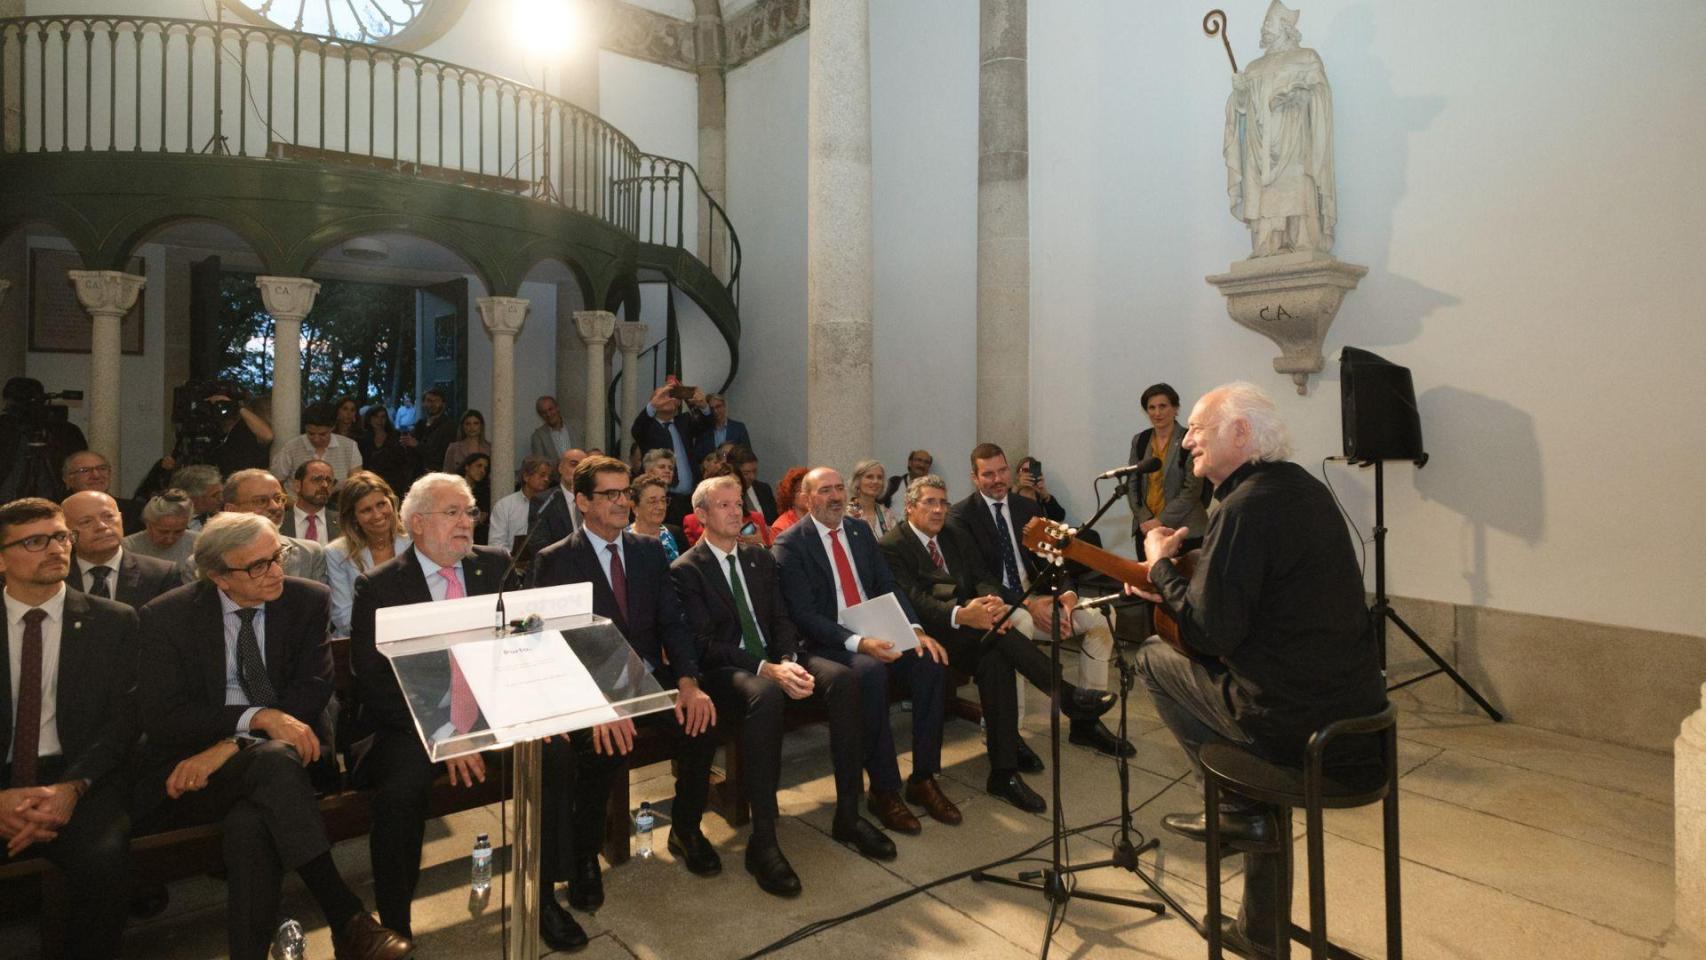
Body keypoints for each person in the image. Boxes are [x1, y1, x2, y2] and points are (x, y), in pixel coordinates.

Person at [1131, 381, 1384, 955]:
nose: (1187, 439)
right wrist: (1177, 590)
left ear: (1240, 433)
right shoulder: (1299, 489)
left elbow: (1208, 634)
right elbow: (1258, 604)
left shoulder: (1243, 508)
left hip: (1290, 722)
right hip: (1355, 715)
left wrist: (1159, 571)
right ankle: (1259, 931)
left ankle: (1236, 809)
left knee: (1151, 657)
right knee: (1252, 781)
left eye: (1198, 427)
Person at [134, 513, 413, 960]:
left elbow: (311, 692)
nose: (276, 572)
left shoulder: (305, 601)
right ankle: (346, 918)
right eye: (257, 566)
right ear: (218, 577)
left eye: (277, 557)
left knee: (254, 815)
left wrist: (232, 743)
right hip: (194, 774)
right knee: (265, 784)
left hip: (288, 758)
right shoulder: (168, 617)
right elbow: (165, 716)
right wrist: (258, 719)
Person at [671, 475, 893, 888]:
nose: (737, 512)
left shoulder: (760, 559)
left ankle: (849, 813)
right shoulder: (687, 569)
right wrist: (767, 669)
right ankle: (764, 841)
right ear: (701, 515)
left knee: (843, 680)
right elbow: (704, 644)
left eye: (739, 504)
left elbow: (781, 620)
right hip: (728, 671)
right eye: (724, 505)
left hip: (778, 658)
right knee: (767, 694)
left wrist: (789, 659)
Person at [528, 456, 718, 929]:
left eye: (623, 493)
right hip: (591, 691)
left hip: (648, 679)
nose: (620, 502)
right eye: (609, 494)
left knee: (699, 721)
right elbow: (551, 645)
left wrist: (689, 683)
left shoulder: (649, 551)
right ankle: (585, 856)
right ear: (583, 501)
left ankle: (688, 829)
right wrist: (597, 706)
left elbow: (673, 623)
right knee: (600, 748)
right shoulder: (556, 559)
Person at [879, 475, 1117, 812]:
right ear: (909, 506)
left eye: (943, 502)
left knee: (997, 653)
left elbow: (981, 576)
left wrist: (989, 601)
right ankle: (1066, 696)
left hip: (973, 626)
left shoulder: (953, 533)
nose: (938, 510)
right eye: (929, 502)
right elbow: (913, 600)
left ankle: (1003, 773)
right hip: (931, 631)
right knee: (998, 635)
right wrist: (963, 614)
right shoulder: (893, 544)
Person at [348, 473, 507, 941]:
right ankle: (396, 926)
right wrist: (445, 734)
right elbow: (374, 682)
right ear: (417, 524)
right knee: (401, 791)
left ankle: (554, 889)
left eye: (470, 512)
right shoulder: (379, 587)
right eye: (452, 512)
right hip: (409, 723)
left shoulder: (494, 566)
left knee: (552, 754)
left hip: (487, 711)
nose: (466, 522)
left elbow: (521, 640)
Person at [773, 467, 960, 837]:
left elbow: (886, 585)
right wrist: (860, 642)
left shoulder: (859, 532)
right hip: (828, 642)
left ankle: (923, 778)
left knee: (930, 662)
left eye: (839, 488)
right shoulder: (791, 544)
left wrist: (915, 631)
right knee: (870, 671)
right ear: (807, 499)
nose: (835, 496)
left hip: (876, 627)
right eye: (824, 491)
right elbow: (803, 614)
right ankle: (884, 789)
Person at [0, 498, 139, 959]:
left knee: (104, 861)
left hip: (80, 774)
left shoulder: (112, 620)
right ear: (2, 558)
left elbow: (123, 722)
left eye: (61, 537)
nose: (56, 549)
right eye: (35, 541)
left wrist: (70, 789)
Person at [947, 443, 1131, 757]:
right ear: (974, 478)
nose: (997, 479)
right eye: (988, 474)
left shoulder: (1027, 508)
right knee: (1015, 622)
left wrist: (1068, 596)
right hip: (999, 604)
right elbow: (979, 579)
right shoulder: (961, 516)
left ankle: (1086, 721)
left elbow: (1055, 560)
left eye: (1002, 470)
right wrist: (1027, 604)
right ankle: (1009, 735)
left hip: (1041, 600)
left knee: (1103, 616)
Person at [1224, 0, 1337, 257]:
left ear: (1285, 26)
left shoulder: (1306, 58)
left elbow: (1321, 94)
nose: (1263, 28)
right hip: (1260, 148)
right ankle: (1268, 243)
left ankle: (1303, 240)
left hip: (1294, 140)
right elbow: (1242, 109)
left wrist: (1299, 95)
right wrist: (1240, 92)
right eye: (1264, 23)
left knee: (1297, 186)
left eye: (1268, 23)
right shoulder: (1255, 68)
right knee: (1265, 194)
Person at [61, 490, 179, 608]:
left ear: (121, 519)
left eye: (109, 517)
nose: (102, 526)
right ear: (67, 534)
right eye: (86, 522)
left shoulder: (160, 575)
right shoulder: (56, 578)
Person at [325, 471, 409, 637]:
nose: (377, 515)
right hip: (361, 642)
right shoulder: (336, 552)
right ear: (353, 516)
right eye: (366, 510)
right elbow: (343, 617)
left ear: (391, 502)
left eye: (381, 504)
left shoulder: (414, 541)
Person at [1127, 382, 1208, 550]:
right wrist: (1145, 519)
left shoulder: (1190, 439)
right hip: (1147, 530)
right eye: (1151, 408)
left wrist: (1161, 521)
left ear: (1175, 408)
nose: (1157, 413)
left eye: (1163, 406)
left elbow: (1192, 490)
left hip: (1186, 531)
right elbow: (1132, 483)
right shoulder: (1140, 441)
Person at [220, 468, 329, 584]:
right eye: (261, 501)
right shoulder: (210, 555)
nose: (275, 507)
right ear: (231, 510)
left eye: (278, 499)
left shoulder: (309, 553)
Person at [631, 381, 712, 496]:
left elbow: (707, 425)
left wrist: (703, 406)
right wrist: (653, 406)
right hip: (662, 495)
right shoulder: (647, 426)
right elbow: (637, 429)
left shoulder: (684, 421)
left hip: (690, 496)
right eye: (663, 395)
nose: (668, 399)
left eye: (672, 395)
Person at [271, 402, 363, 484]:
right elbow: (276, 482)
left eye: (322, 434)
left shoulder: (349, 446)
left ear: (332, 427)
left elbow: (355, 484)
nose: (316, 439)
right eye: (311, 433)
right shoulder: (291, 447)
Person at [60, 450, 143, 532]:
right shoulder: (57, 514)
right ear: (68, 479)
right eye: (85, 470)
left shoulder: (136, 512)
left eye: (102, 469)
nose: (96, 475)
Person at [487, 455, 552, 552]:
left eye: (549, 476)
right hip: (512, 564)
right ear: (526, 476)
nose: (547, 479)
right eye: (542, 475)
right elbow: (495, 544)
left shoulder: (552, 505)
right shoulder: (505, 505)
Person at [527, 447, 588, 549]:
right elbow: (537, 542)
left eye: (584, 467)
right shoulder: (544, 500)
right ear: (560, 468)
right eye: (573, 464)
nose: (578, 470)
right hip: (559, 561)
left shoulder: (595, 499)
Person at [124, 488, 200, 565]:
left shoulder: (198, 544)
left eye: (178, 531)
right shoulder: (128, 547)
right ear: (148, 524)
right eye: (163, 532)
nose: (170, 539)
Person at [357, 404, 418, 500]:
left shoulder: (396, 437)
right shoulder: (363, 440)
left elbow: (404, 462)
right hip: (369, 485)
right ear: (369, 418)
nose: (379, 420)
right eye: (375, 417)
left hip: (393, 486)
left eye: (383, 417)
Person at [402, 388, 457, 485]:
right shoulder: (420, 424)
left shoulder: (448, 426)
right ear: (423, 403)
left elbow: (442, 454)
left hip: (436, 477)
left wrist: (417, 445)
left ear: (443, 404)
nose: (432, 404)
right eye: (429, 401)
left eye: (436, 401)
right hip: (416, 477)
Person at [281, 458, 339, 545]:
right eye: (317, 480)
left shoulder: (344, 523)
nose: (325, 485)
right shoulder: (279, 523)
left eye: (329, 481)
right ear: (297, 486)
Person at [629, 474, 685, 561]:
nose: (661, 507)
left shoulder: (676, 533)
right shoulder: (624, 540)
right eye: (653, 501)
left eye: (663, 500)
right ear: (634, 507)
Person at [847, 459, 900, 537]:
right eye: (869, 477)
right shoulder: (846, 514)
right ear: (857, 481)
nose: (875, 481)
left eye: (879, 477)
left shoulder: (888, 515)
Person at [694, 393, 753, 461]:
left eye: (718, 406)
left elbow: (747, 453)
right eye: (712, 408)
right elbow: (697, 455)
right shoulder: (704, 430)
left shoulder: (738, 428)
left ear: (724, 406)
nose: (715, 411)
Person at [727, 446, 777, 524]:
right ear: (733, 472)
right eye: (746, 473)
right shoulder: (727, 496)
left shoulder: (764, 489)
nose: (752, 477)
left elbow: (775, 520)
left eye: (754, 471)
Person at [1013, 456, 1067, 523]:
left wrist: (1046, 496)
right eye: (1025, 470)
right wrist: (1017, 488)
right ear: (1018, 475)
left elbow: (1059, 517)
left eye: (1032, 471)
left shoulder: (1040, 496)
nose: (1029, 474)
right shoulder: (1010, 493)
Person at [172, 463, 225, 531]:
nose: (221, 499)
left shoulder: (224, 517)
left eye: (221, 493)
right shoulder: (168, 523)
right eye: (215, 495)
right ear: (193, 499)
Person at [528, 395, 578, 465]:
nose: (548, 414)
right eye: (544, 412)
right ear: (540, 415)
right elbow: (540, 464)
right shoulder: (538, 437)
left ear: (557, 408)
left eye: (550, 409)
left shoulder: (577, 427)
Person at [442, 409, 492, 474]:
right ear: (463, 426)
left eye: (476, 423)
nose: (472, 427)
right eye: (467, 424)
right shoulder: (454, 448)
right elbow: (447, 474)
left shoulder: (490, 448)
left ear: (481, 426)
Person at [457, 451, 492, 544]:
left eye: (485, 468)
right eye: (479, 466)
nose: (482, 471)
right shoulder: (452, 488)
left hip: (475, 538)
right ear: (467, 467)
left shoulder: (485, 492)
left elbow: (482, 516)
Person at [769, 466, 811, 538]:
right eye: (800, 490)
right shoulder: (781, 526)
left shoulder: (820, 518)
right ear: (790, 495)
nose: (806, 493)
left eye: (809, 489)